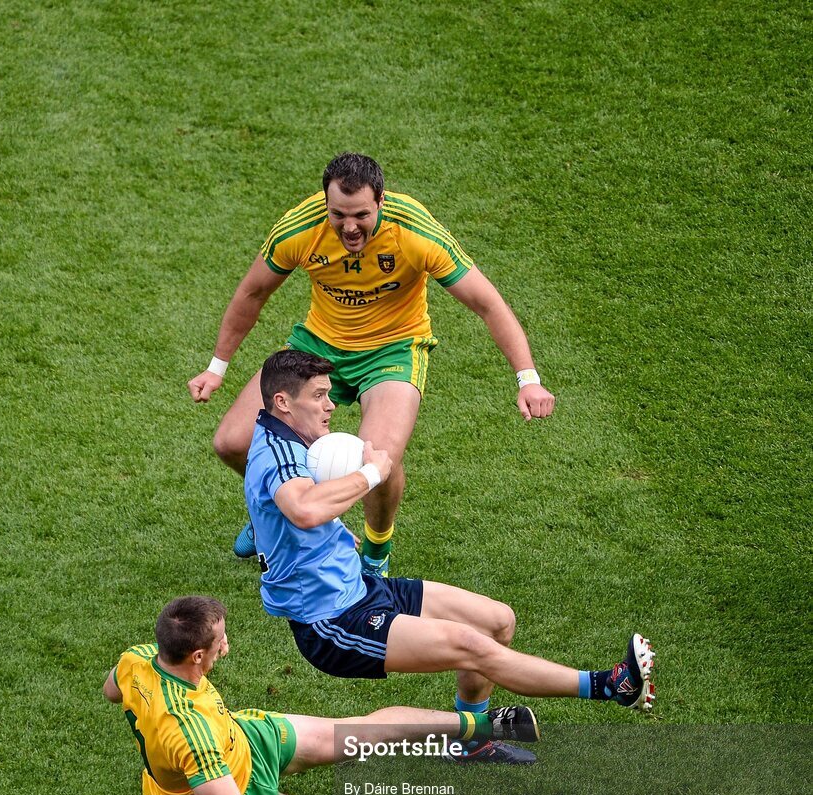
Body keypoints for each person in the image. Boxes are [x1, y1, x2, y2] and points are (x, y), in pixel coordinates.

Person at [243, 350, 656, 764]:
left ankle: (470, 746)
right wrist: (372, 474)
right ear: (283, 402)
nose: (330, 405)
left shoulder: (291, 440)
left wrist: (330, 532)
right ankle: (610, 685)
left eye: (328, 395)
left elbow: (290, 514)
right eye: (318, 396)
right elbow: (304, 508)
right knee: (471, 645)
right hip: (331, 620)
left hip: (360, 587)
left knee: (496, 621)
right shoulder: (275, 453)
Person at [188, 152, 556, 577]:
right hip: (320, 343)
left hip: (393, 350)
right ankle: (271, 511)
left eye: (361, 214)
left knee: (377, 460)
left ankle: (375, 552)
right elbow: (252, 294)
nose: (349, 227)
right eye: (338, 215)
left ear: (380, 201)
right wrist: (217, 368)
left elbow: (487, 303)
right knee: (232, 441)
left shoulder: (414, 231)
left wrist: (527, 379)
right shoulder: (299, 229)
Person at [103, 595, 543, 795]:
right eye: (220, 642)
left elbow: (112, 691)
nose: (227, 647)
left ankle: (481, 729)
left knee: (363, 732)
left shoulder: (136, 659)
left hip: (241, 735)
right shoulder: (190, 734)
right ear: (196, 656)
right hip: (230, 787)